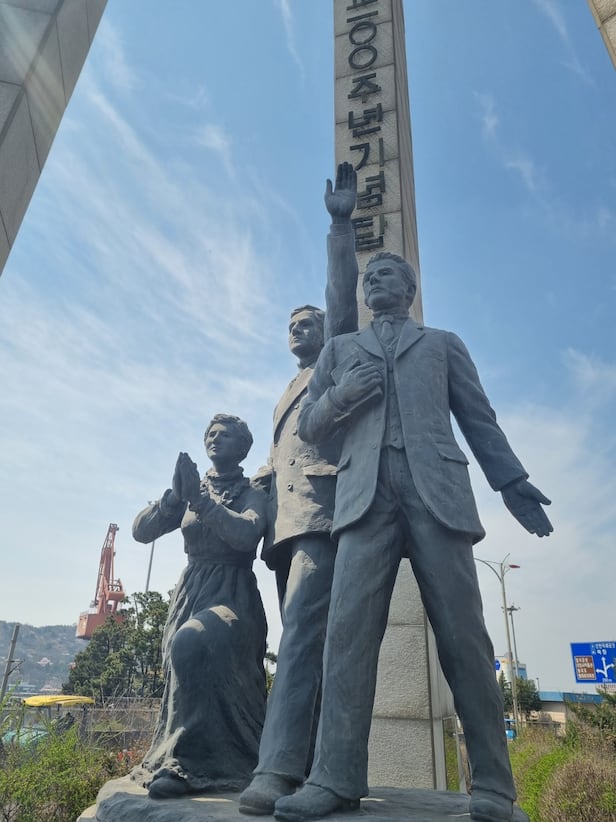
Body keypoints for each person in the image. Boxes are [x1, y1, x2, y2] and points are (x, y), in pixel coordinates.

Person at [274, 252, 553, 822]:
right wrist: (343, 395)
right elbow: (309, 428)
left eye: (387, 275)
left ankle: (494, 786)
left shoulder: (443, 345)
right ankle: (334, 778)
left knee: (464, 638)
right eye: (369, 277)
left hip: (437, 495)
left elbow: (479, 419)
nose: (375, 281)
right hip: (364, 499)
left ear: (409, 289)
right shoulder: (341, 350)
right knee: (347, 639)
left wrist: (512, 482)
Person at [238, 164, 358, 815]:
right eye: (291, 324)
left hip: (323, 515)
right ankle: (314, 766)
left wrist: (340, 227)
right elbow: (275, 460)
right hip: (285, 528)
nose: (298, 329)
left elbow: (342, 301)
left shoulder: (336, 360)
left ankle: (278, 768)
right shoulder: (286, 389)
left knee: (301, 642)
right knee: (307, 643)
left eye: (306, 322)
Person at [131, 414, 268, 799]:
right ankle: (183, 755)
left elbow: (246, 535)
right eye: (211, 433)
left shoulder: (253, 493)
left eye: (225, 435)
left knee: (192, 643)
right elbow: (141, 532)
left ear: (243, 448)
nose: (215, 439)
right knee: (185, 660)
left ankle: (184, 764)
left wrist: (201, 501)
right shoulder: (192, 490)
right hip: (191, 592)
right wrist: (174, 497)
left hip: (233, 594)